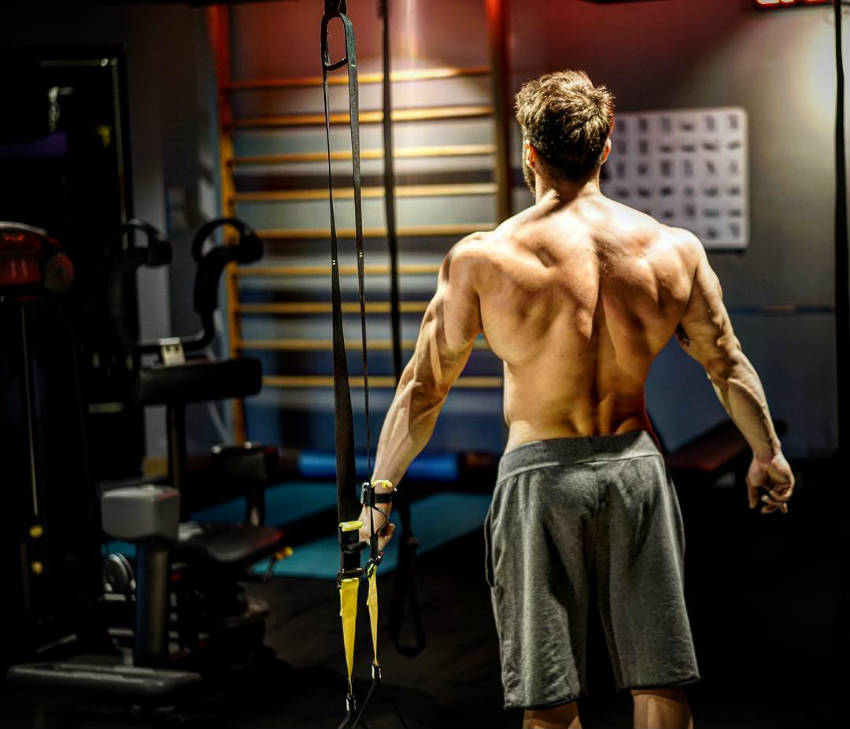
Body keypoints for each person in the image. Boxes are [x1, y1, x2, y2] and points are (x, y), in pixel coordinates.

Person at [357, 70, 795, 729]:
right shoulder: (671, 250)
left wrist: (380, 494)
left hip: (539, 479)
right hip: (635, 469)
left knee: (549, 701)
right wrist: (769, 453)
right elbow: (725, 361)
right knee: (662, 685)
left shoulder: (487, 258)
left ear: (528, 153)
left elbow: (423, 389)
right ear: (606, 148)